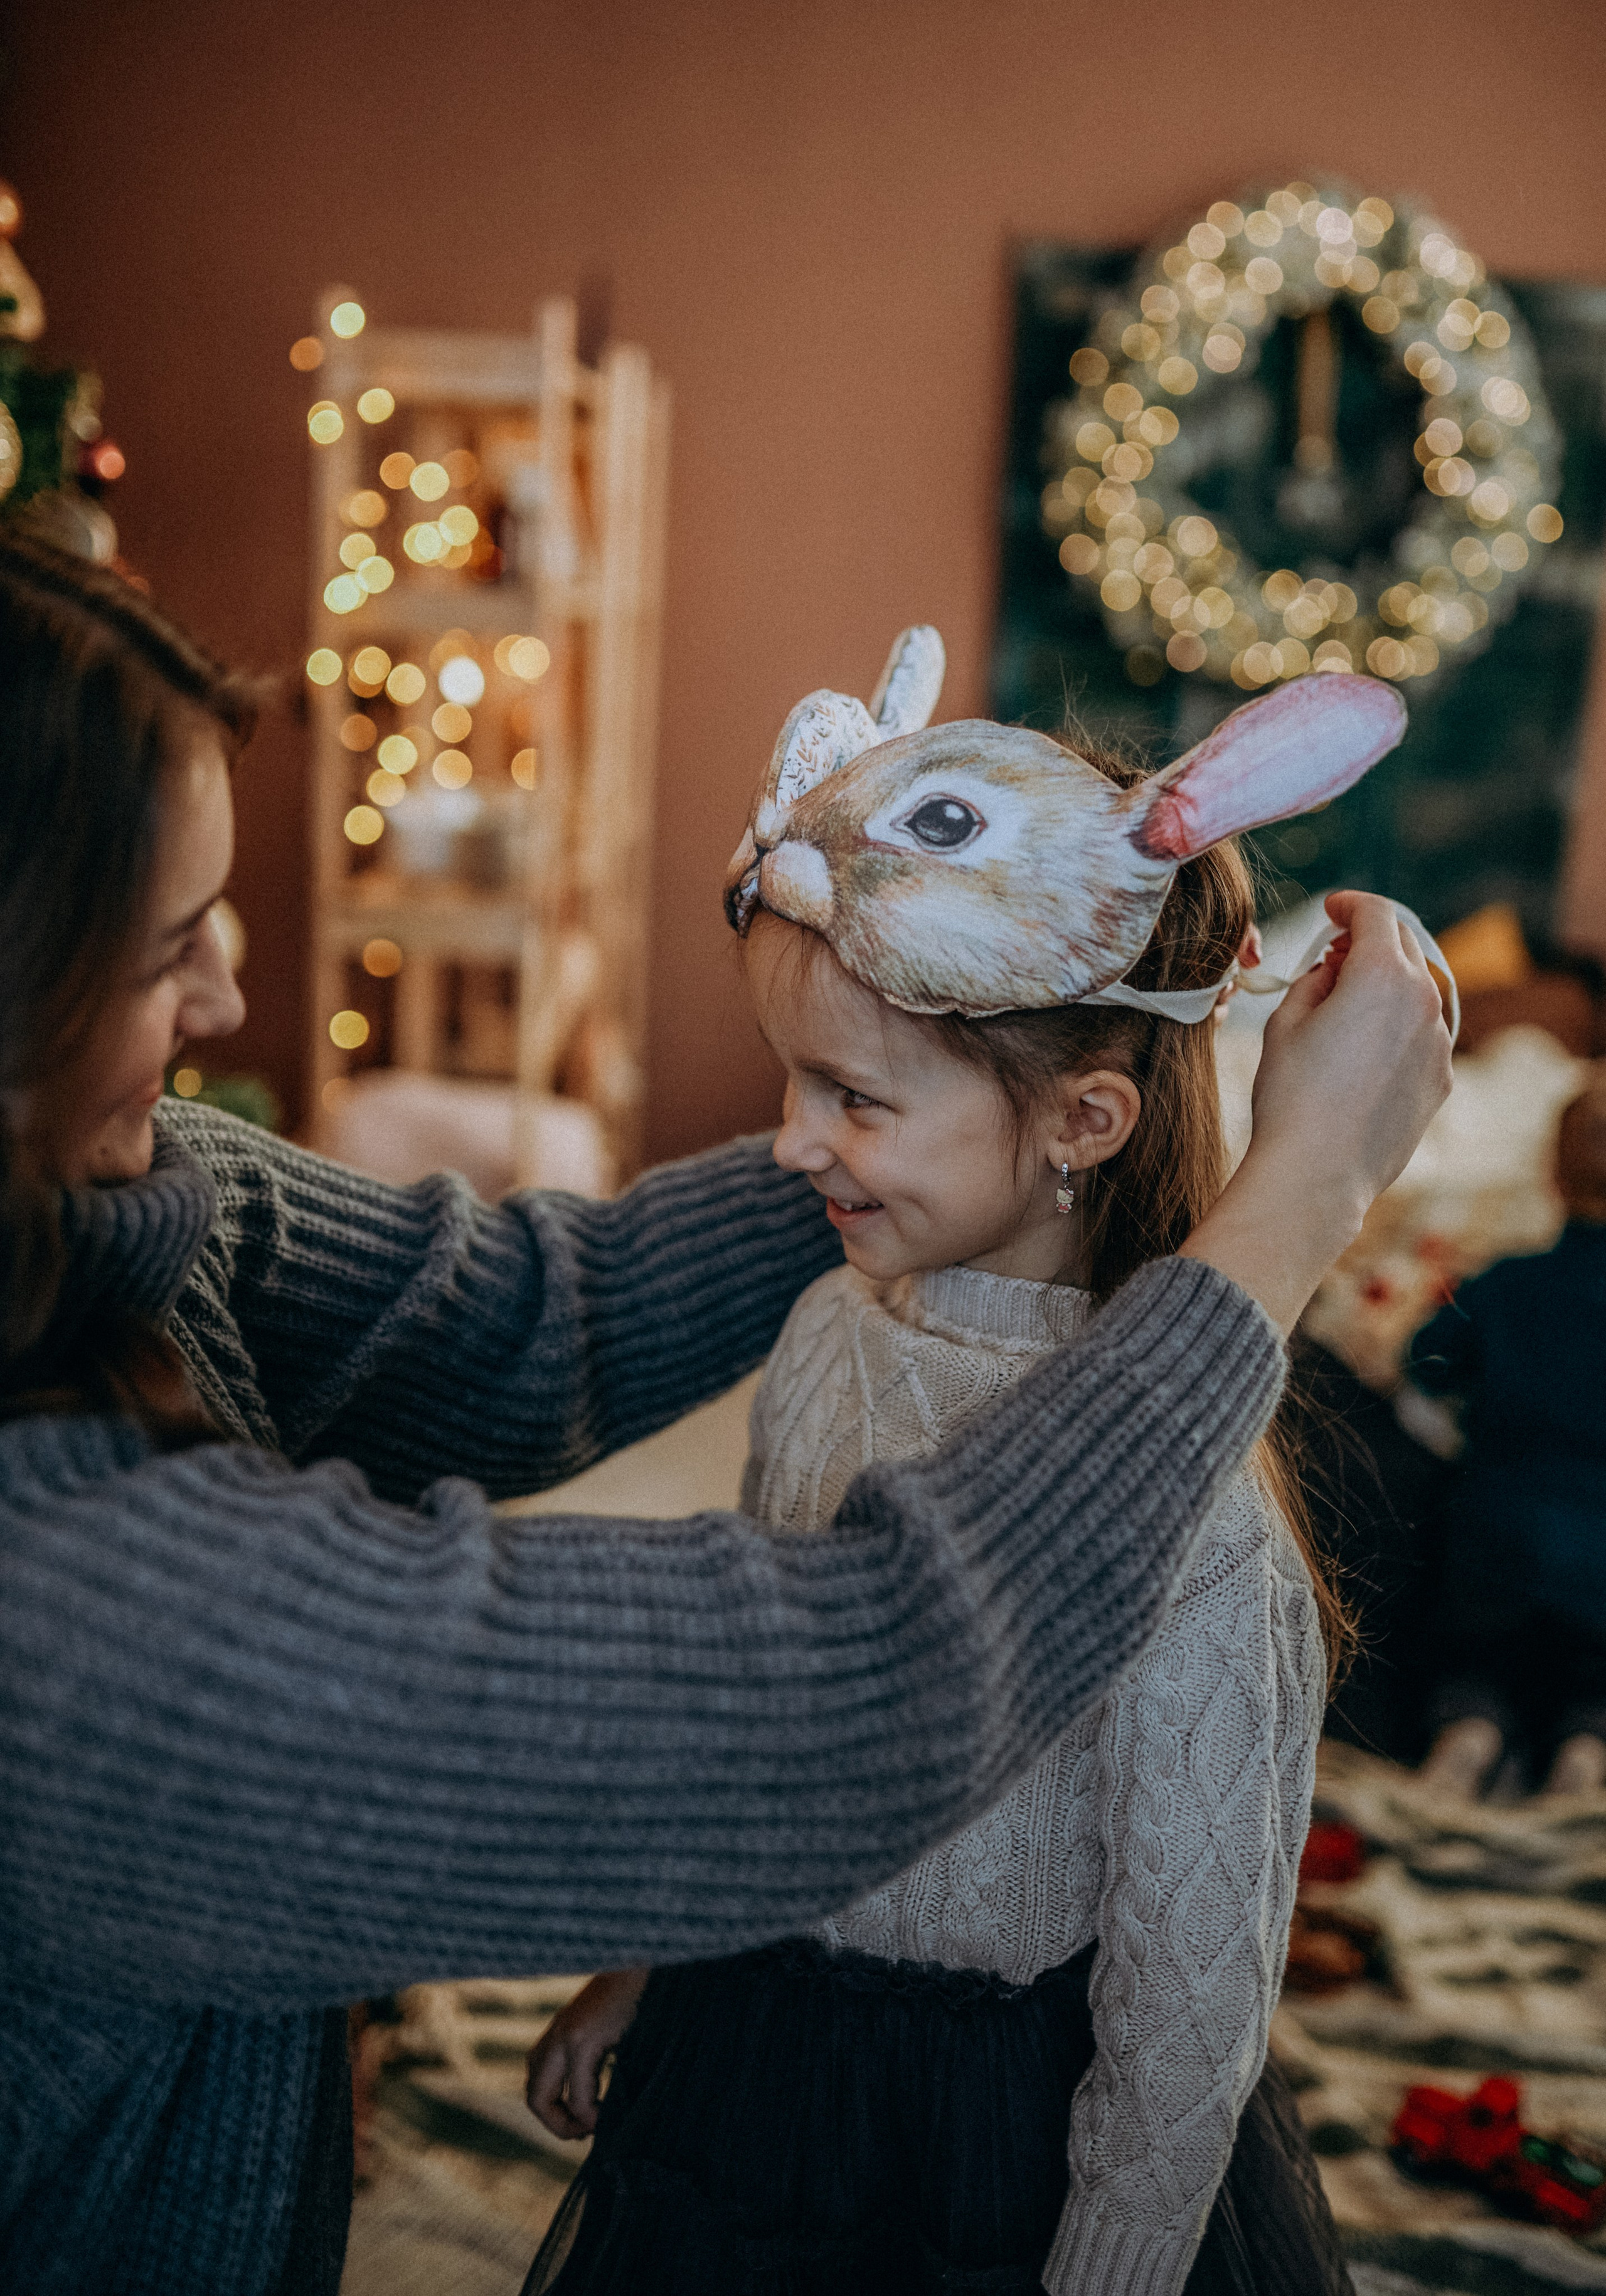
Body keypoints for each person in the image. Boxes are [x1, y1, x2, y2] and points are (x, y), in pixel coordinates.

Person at [0, 548, 1449, 2296]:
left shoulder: (133, 1208)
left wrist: (928, 1119)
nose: (232, 1000)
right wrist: (1288, 1204)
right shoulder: (57, 1603)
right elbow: (835, 1688)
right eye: (166, 950)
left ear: (1083, 1113)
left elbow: (541, 1309)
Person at [523, 638, 1401, 2296]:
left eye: (852, 1094)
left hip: (1000, 2132)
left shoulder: (1198, 1518)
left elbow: (1187, 1999)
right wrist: (649, 1962)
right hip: (758, 2046)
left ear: (1083, 1121)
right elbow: (761, 1724)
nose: (787, 1141)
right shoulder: (828, 1343)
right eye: (794, 1078)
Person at [1412, 1069, 1606, 1801]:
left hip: (1498, 1538)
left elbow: (1423, 1366)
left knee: (1475, 1669)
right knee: (1595, 1695)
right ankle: (1587, 1754)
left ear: (1552, 1173)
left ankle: (1469, 1735)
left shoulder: (1506, 1282)